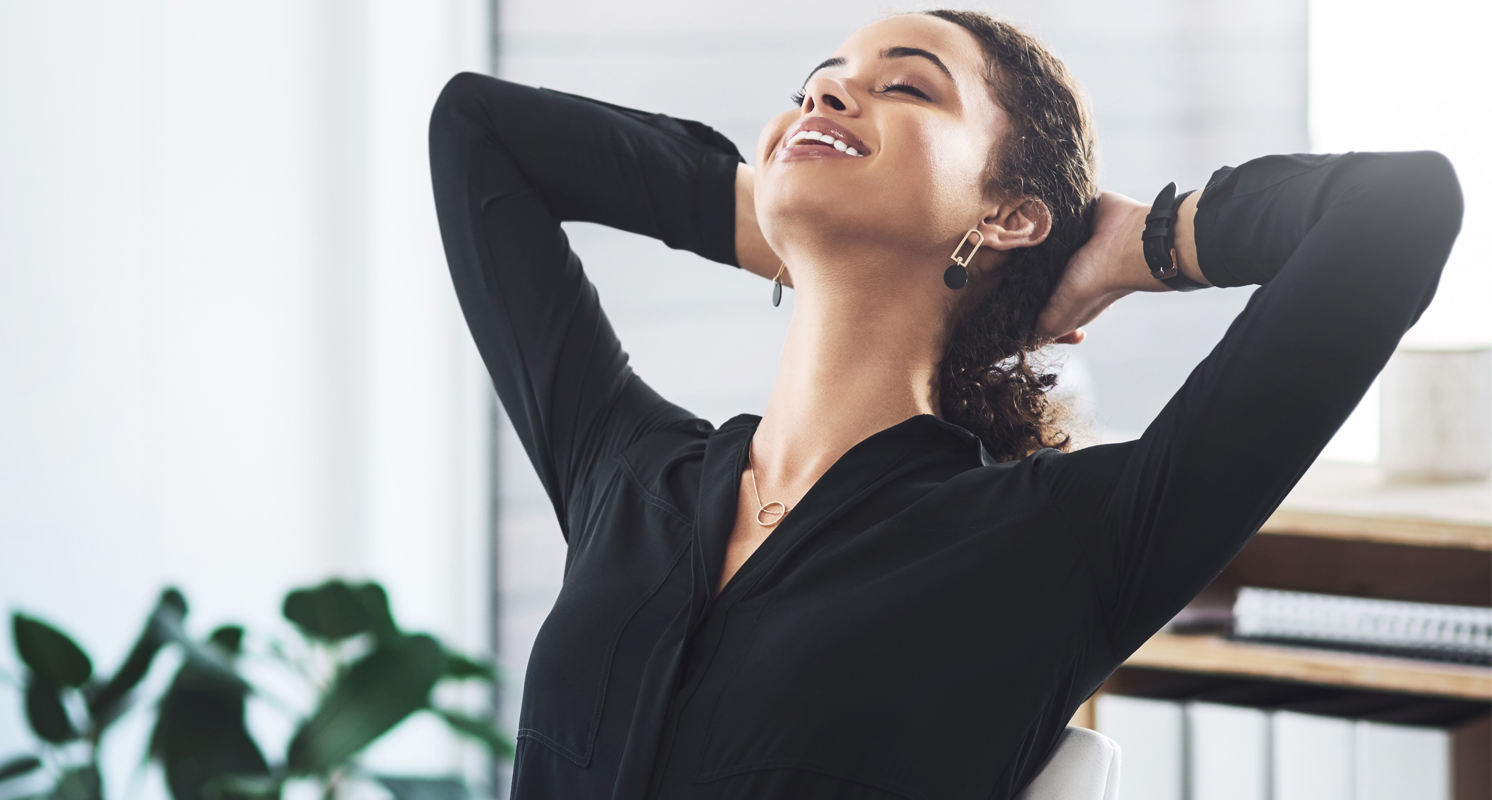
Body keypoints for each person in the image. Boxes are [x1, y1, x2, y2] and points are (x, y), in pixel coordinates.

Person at [427, 8, 1462, 800]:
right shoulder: (624, 471)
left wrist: (1145, 240)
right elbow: (474, 128)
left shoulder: (1057, 540)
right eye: (815, 87)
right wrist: (777, 216)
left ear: (1008, 212)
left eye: (904, 90)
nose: (826, 97)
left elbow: (1398, 209)